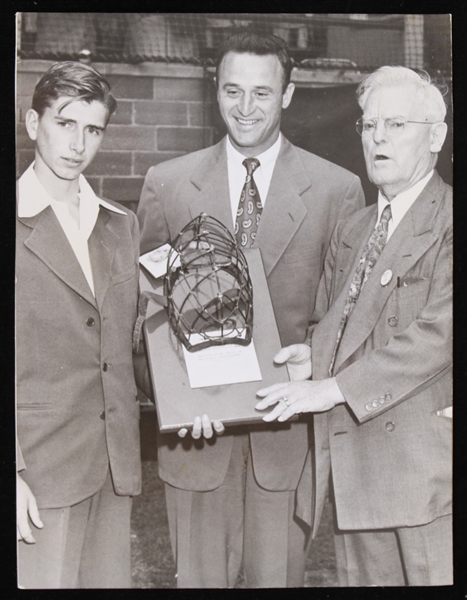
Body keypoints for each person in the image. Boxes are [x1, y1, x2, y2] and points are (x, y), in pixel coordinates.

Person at [137, 31, 364, 588]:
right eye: (232, 90)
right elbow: (142, 315)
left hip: (282, 446)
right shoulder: (166, 186)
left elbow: (346, 318)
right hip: (196, 439)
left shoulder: (338, 190)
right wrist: (173, 393)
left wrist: (313, 359)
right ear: (214, 90)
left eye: (262, 94)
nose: (245, 108)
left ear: (287, 96)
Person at [256, 66, 452, 586]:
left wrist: (335, 386)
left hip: (425, 477)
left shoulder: (450, 220)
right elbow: (333, 321)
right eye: (368, 126)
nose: (378, 138)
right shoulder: (355, 227)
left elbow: (439, 333)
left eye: (396, 125)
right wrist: (311, 359)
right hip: (352, 472)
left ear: (436, 135)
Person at [16, 61, 147, 588]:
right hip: (40, 472)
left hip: (115, 469)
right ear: (32, 124)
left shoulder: (120, 224)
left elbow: (131, 344)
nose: (78, 144)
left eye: (93, 129)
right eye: (64, 124)